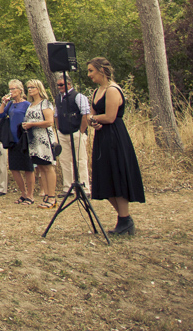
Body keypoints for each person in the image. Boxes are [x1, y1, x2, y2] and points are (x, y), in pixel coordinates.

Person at [87, 57, 145, 236]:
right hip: (101, 136)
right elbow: (92, 114)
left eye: (91, 71)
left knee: (117, 174)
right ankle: (123, 219)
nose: (89, 75)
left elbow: (110, 117)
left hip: (115, 137)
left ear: (101, 71)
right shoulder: (97, 91)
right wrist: (92, 121)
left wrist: (94, 119)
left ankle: (125, 219)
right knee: (105, 176)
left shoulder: (113, 90)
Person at [0, 80, 35, 205]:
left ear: (20, 90)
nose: (11, 92)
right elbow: (0, 114)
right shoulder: (10, 105)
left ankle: (30, 195)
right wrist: (4, 103)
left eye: (13, 89)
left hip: (24, 139)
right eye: (10, 89)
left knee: (28, 168)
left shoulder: (27, 105)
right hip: (12, 139)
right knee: (14, 168)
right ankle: (23, 193)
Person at [23, 79, 59, 208]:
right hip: (34, 139)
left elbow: (49, 122)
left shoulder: (45, 103)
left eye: (32, 87)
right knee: (41, 167)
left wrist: (32, 124)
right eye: (28, 87)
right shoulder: (31, 105)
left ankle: (52, 196)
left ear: (39, 88)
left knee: (48, 166)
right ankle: (47, 194)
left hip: (45, 139)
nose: (30, 89)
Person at [54, 74, 91, 192]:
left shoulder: (78, 97)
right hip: (63, 133)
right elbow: (56, 115)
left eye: (61, 85)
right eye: (58, 85)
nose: (59, 87)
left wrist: (81, 131)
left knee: (80, 160)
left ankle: (85, 187)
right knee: (65, 161)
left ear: (69, 84)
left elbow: (85, 114)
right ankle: (68, 187)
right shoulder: (57, 98)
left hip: (76, 132)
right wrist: (58, 129)